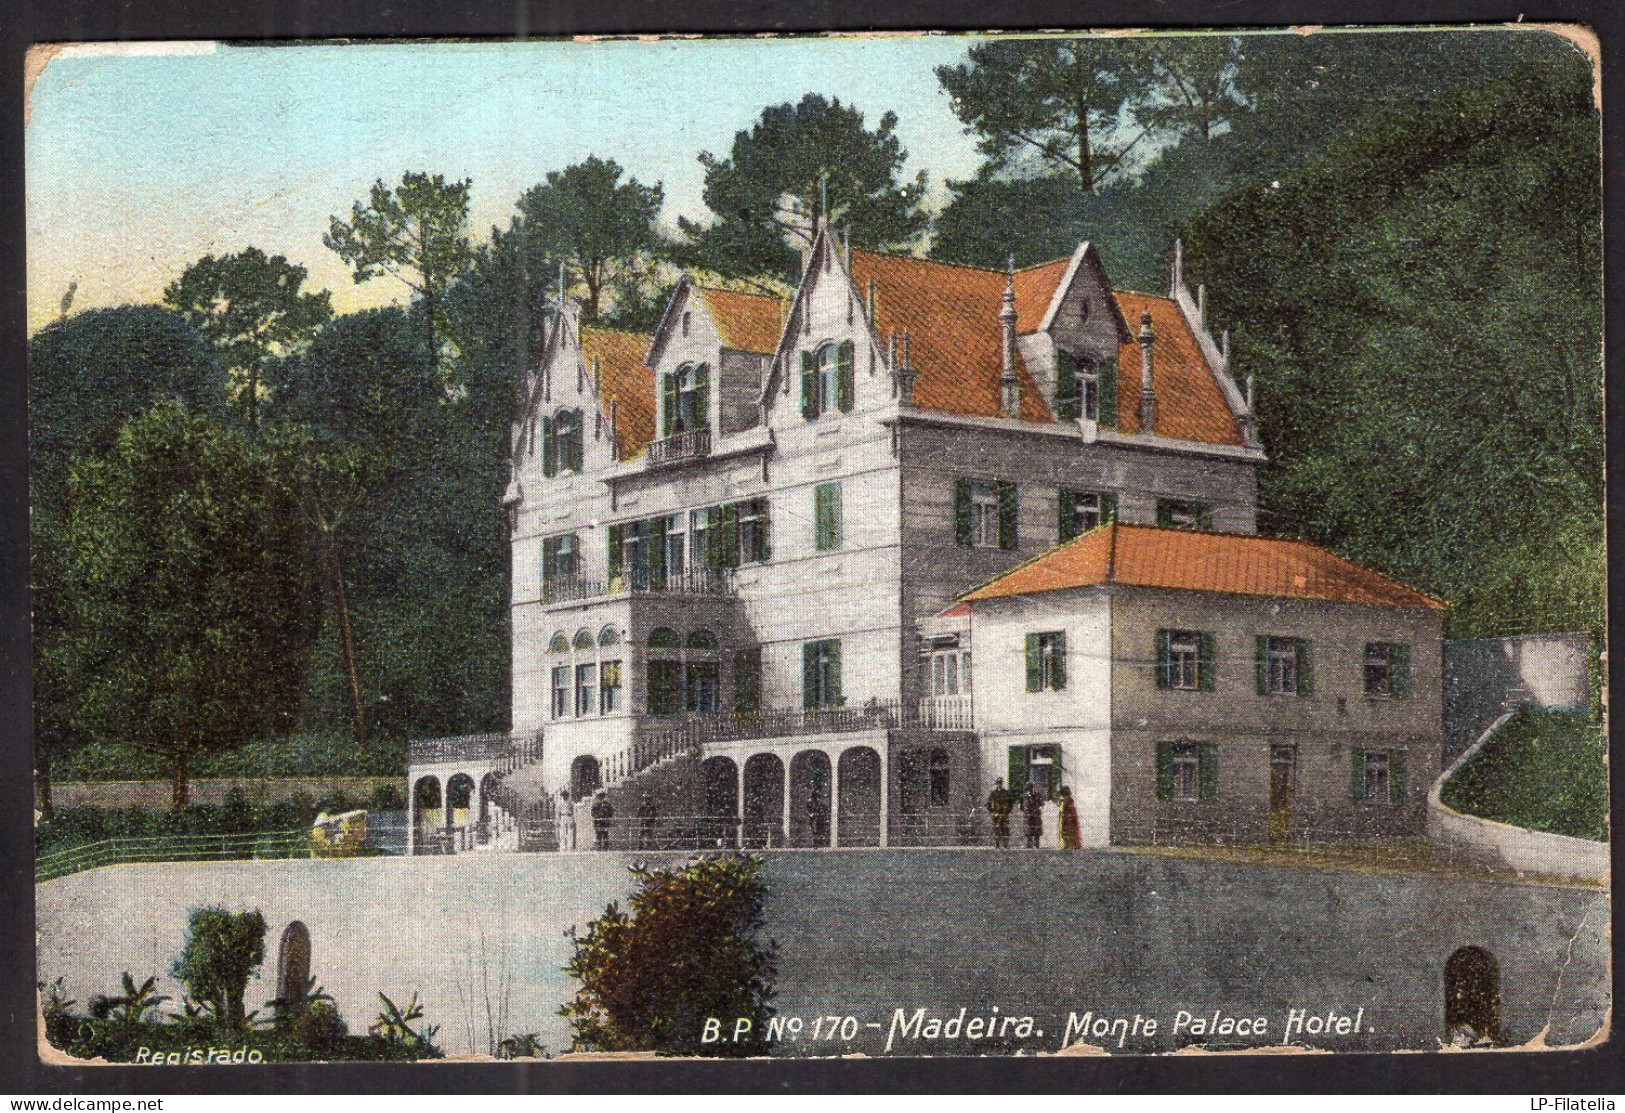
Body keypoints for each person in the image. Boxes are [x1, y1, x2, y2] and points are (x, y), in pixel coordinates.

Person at [986, 778, 1014, 849]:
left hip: (1004, 813)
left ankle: (1006, 844)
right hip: (996, 813)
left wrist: (1007, 811)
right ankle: (997, 844)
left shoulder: (1006, 792)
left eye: (1000, 783)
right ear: (996, 784)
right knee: (996, 829)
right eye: (998, 783)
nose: (999, 784)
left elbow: (1011, 803)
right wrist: (992, 812)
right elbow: (988, 803)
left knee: (1005, 829)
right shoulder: (993, 793)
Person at [1022, 782, 1045, 848]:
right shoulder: (1025, 795)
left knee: (1037, 829)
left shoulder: (1038, 795)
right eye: (1029, 787)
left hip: (1036, 814)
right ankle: (1029, 843)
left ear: (1033, 787)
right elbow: (1022, 805)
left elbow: (1042, 803)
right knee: (1028, 829)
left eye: (1031, 787)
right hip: (1028, 815)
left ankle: (1037, 843)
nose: (1030, 788)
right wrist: (1025, 810)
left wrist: (1039, 808)